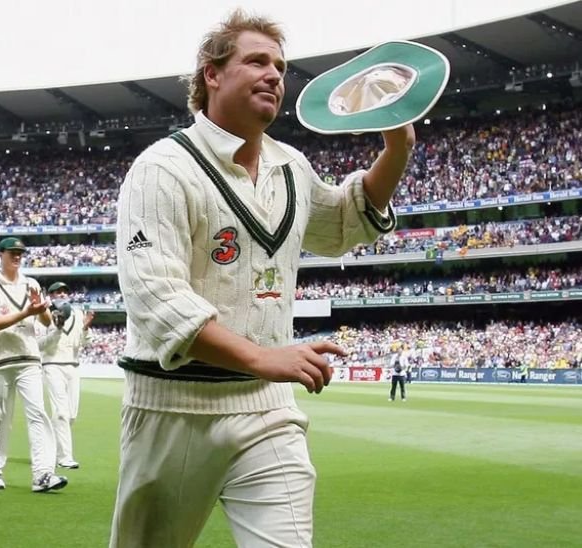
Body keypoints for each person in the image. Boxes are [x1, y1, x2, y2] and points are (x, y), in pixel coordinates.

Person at [111, 9, 414, 547]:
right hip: (173, 407)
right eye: (256, 61)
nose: (274, 74)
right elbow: (155, 296)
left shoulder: (291, 165)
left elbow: (343, 222)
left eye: (280, 66)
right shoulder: (162, 168)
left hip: (267, 408)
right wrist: (260, 356)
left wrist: (398, 148)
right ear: (211, 74)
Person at [0, 237, 68, 493]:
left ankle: (43, 474)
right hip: (0, 360)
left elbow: (47, 321)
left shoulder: (32, 283)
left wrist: (40, 308)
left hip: (28, 357)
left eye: (20, 252)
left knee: (38, 413)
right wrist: (26, 313)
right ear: (0, 255)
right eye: (12, 252)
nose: (17, 256)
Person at [37, 281, 95, 470]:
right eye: (57, 292)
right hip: (52, 365)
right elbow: (39, 345)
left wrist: (85, 327)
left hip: (73, 366)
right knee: (61, 413)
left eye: (64, 292)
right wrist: (57, 329)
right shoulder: (43, 314)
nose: (62, 295)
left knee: (71, 415)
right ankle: (65, 457)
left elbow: (85, 343)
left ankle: (50, 449)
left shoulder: (77, 314)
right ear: (50, 296)